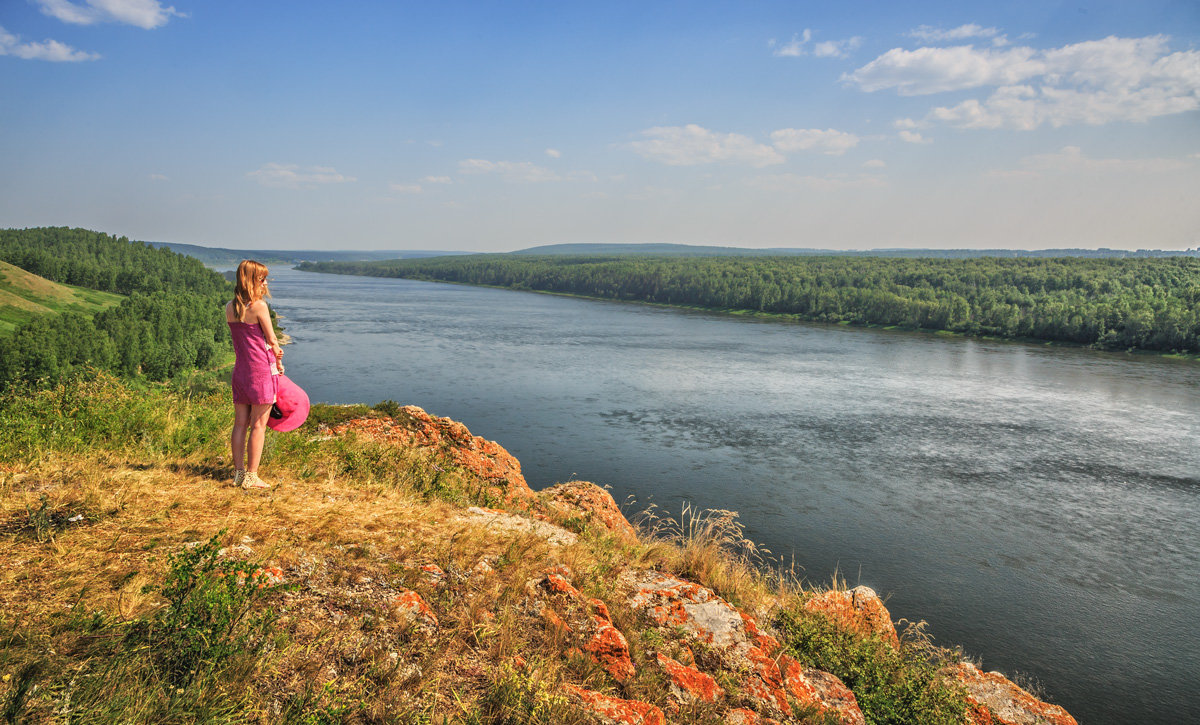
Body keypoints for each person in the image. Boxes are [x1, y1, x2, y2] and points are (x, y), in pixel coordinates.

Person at [226, 260, 284, 489]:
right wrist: (279, 359)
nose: (266, 282)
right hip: (260, 371)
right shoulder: (259, 307)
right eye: (262, 279)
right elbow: (271, 340)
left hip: (241, 371)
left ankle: (238, 474)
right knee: (258, 425)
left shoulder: (230, 307)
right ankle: (252, 475)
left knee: (240, 424)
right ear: (251, 281)